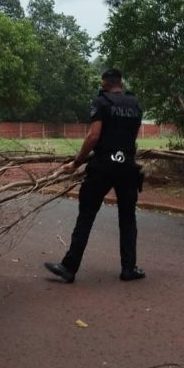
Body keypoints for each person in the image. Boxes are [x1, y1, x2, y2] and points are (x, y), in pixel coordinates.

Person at [44, 68, 146, 284]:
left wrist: (76, 162)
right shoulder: (135, 104)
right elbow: (133, 136)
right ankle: (129, 268)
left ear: (104, 83)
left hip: (103, 167)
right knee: (128, 218)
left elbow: (93, 136)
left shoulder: (101, 103)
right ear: (121, 82)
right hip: (127, 166)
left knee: (87, 215)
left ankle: (69, 267)